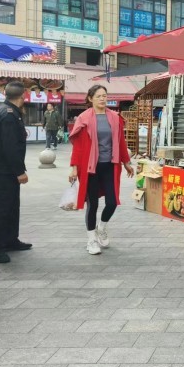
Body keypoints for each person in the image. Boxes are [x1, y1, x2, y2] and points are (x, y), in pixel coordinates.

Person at [69, 85, 134, 255]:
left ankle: (101, 228)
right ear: (90, 98)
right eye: (98, 96)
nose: (102, 99)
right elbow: (78, 147)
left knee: (112, 202)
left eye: (104, 96)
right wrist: (74, 168)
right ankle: (91, 240)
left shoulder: (114, 117)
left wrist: (126, 162)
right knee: (93, 204)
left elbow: (120, 141)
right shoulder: (83, 118)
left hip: (110, 166)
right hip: (90, 168)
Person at [0, 82, 31, 264]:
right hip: (2, 171)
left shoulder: (5, 110)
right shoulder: (8, 115)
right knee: (0, 209)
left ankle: (11, 240)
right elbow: (10, 147)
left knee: (12, 207)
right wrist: (20, 171)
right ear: (23, 96)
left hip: (5, 170)